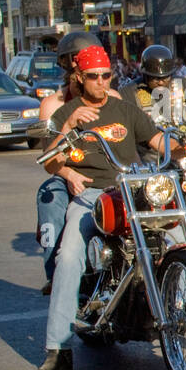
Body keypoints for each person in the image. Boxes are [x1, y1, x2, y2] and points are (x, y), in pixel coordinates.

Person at [33, 45, 186, 370]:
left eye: (105, 75)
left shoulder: (125, 109)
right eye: (93, 76)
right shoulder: (66, 112)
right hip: (92, 193)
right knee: (69, 256)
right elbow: (51, 161)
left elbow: (157, 140)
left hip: (133, 186)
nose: (100, 82)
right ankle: (58, 348)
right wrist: (69, 125)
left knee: (178, 235)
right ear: (79, 78)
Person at [35, 32, 119, 296]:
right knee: (49, 196)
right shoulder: (52, 104)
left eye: (103, 74)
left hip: (108, 170)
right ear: (70, 67)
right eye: (77, 61)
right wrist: (69, 173)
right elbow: (49, 155)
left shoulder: (114, 98)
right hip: (67, 171)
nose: (98, 80)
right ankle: (55, 274)